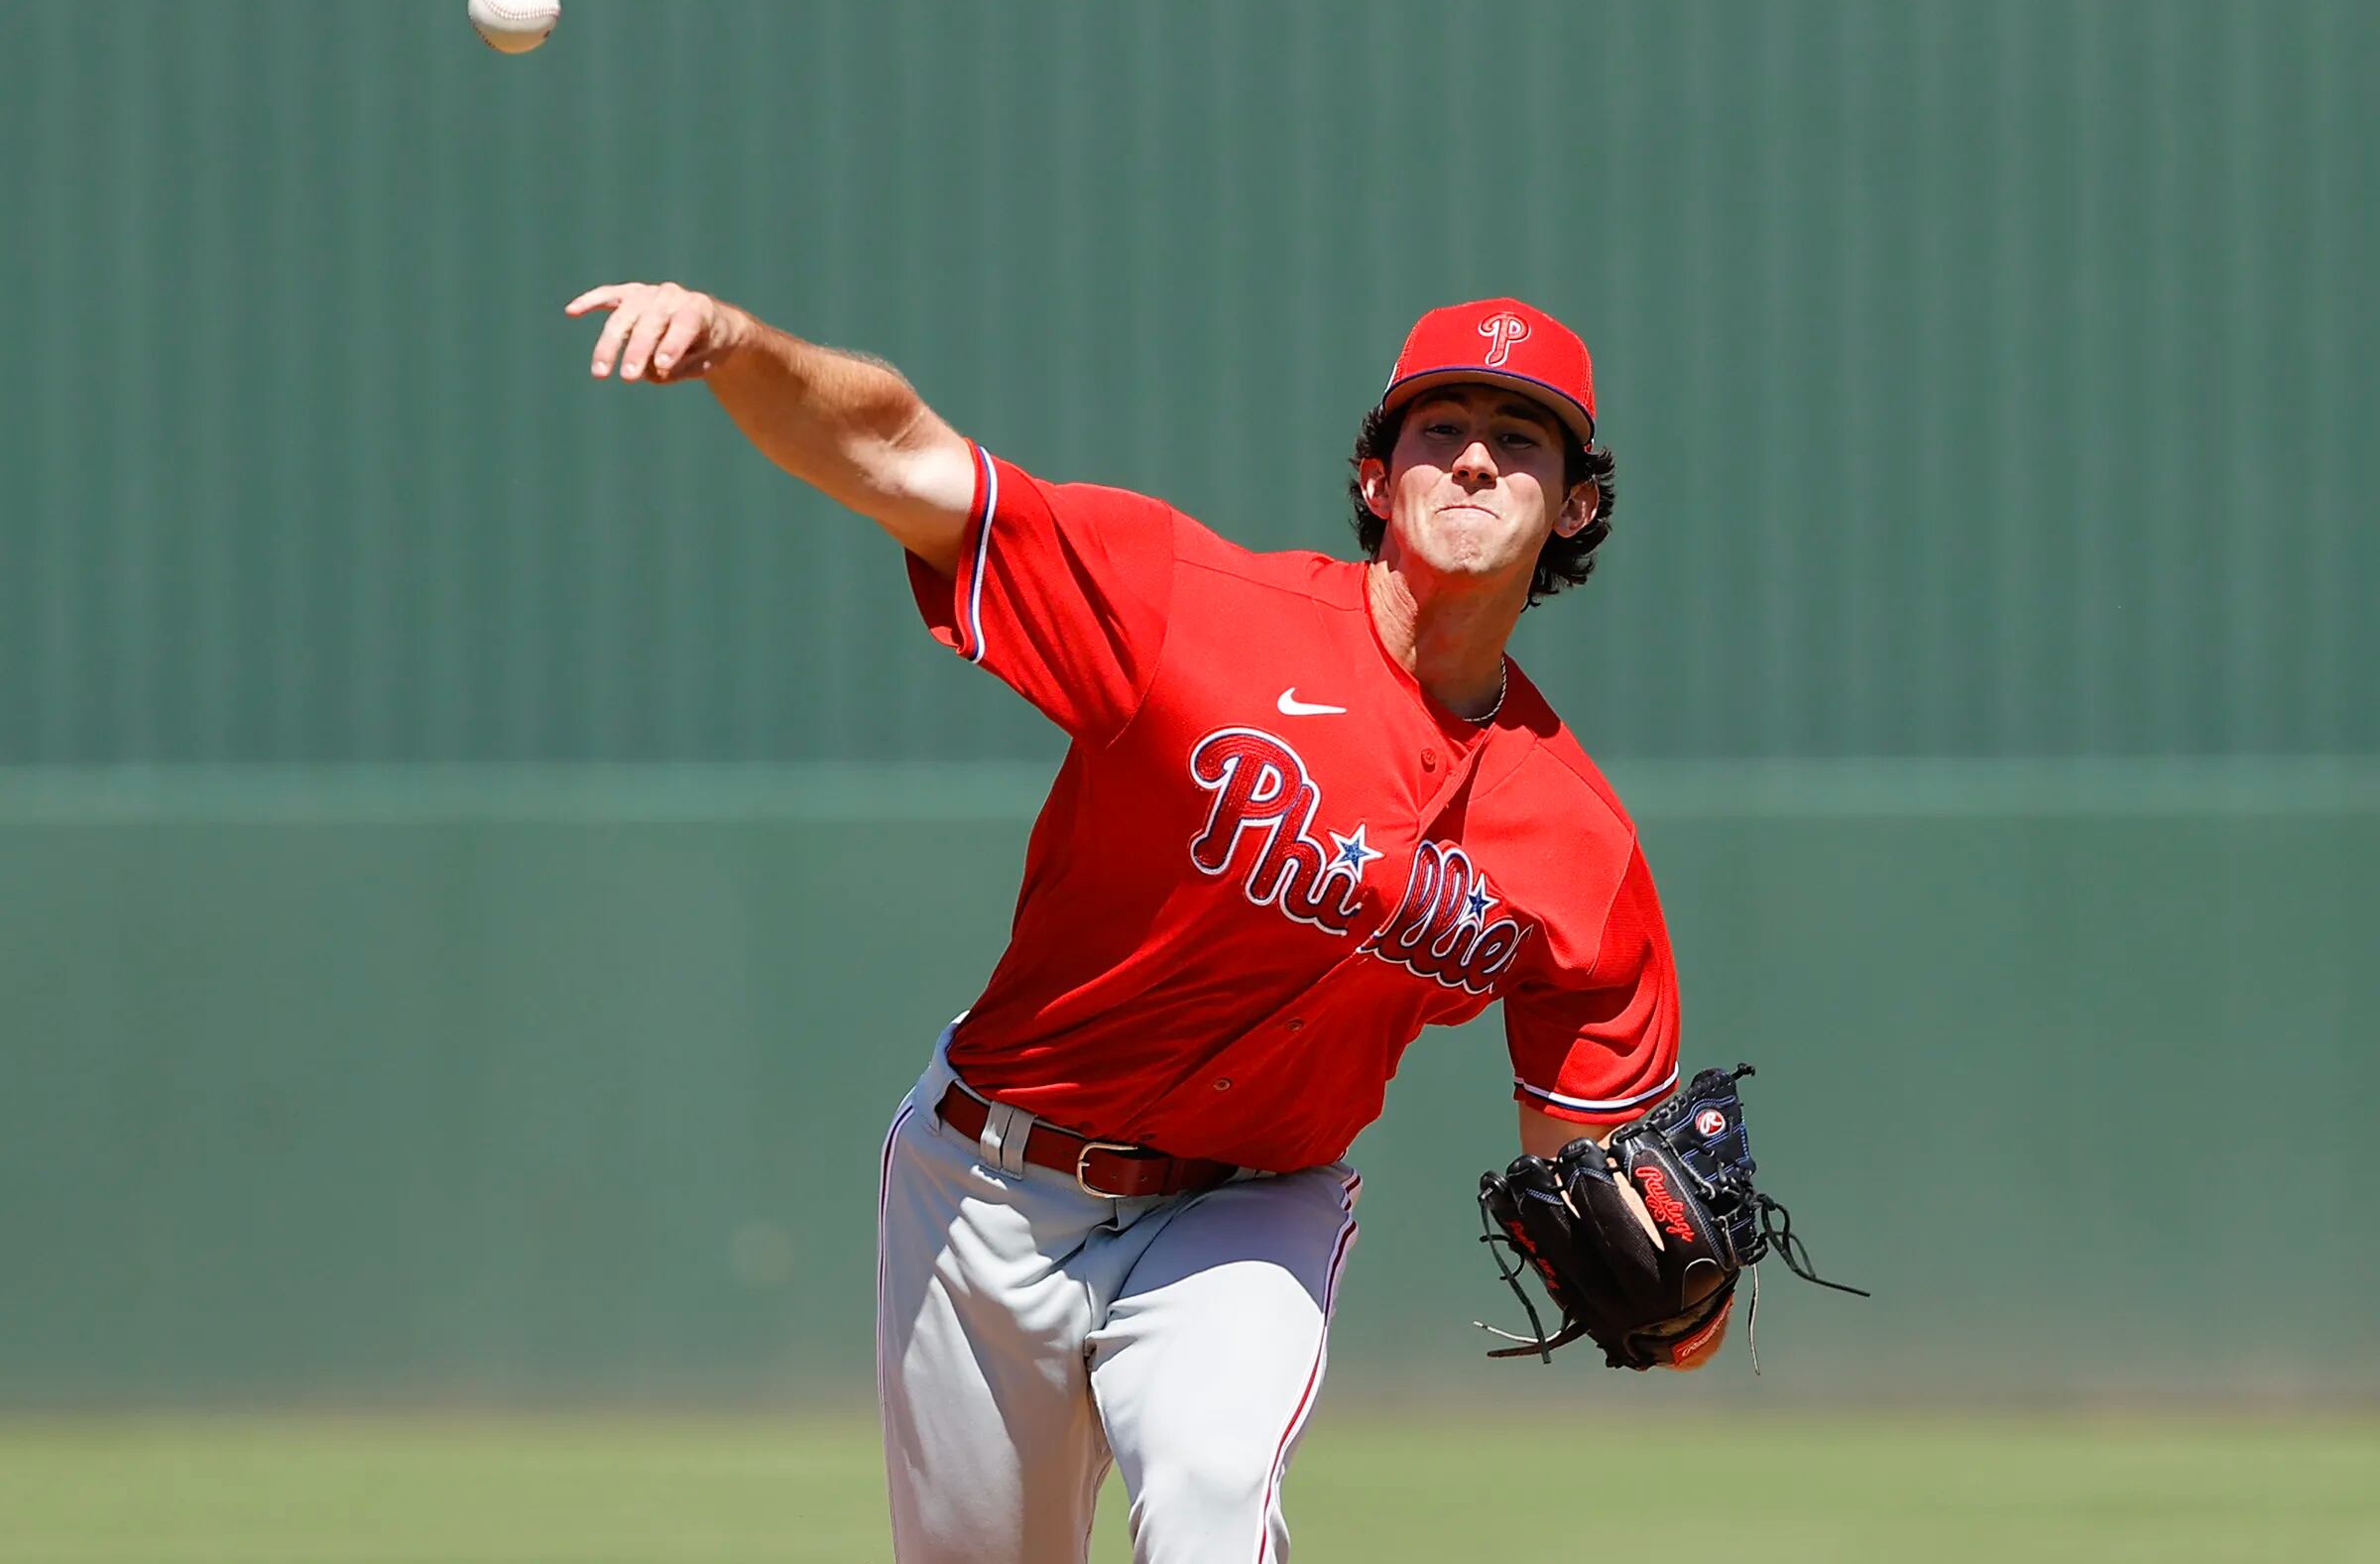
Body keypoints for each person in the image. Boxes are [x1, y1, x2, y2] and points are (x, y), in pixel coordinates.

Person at [566, 283, 1710, 1563]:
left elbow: (1589, 1168)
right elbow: (904, 454)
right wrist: (736, 344)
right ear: (1377, 478)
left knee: (1216, 1487)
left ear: (1577, 504)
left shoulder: (1579, 844)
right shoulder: (1190, 608)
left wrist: (1674, 1293)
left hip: (1246, 1208)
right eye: (1441, 426)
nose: (1479, 455)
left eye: (1525, 433)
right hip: (989, 1184)